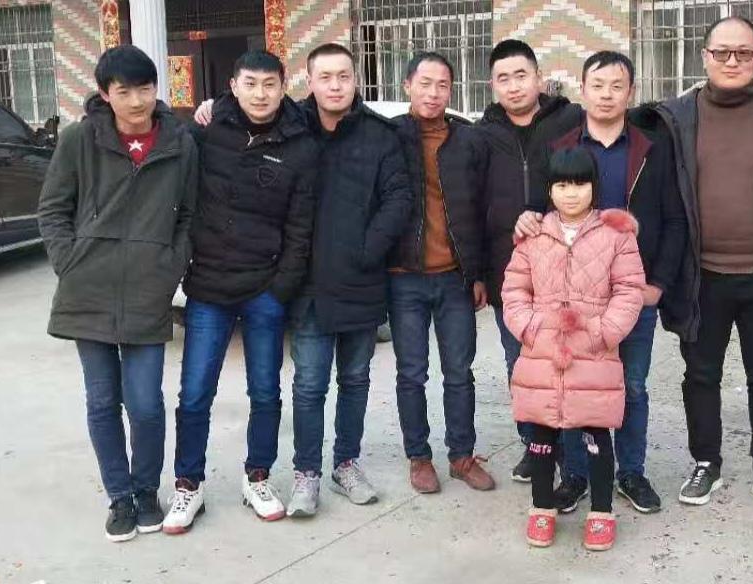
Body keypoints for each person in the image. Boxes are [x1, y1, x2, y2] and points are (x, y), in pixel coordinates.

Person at [195, 43, 412, 514]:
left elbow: (398, 198)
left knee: (355, 380)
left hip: (360, 280)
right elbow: (243, 117)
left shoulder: (380, 135)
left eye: (343, 76)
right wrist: (214, 107)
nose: (335, 86)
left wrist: (367, 250)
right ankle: (306, 472)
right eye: (325, 77)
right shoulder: (292, 127)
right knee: (309, 385)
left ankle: (346, 463)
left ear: (356, 80)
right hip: (308, 286)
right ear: (308, 82)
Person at [635, 16, 753, 516]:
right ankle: (706, 462)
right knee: (700, 375)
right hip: (703, 274)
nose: (732, 61)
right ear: (705, 56)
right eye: (722, 52)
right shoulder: (677, 117)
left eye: (743, 52)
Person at [515, 51, 687, 514]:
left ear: (631, 92)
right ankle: (576, 475)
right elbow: (537, 210)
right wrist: (526, 222)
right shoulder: (561, 145)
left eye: (616, 86)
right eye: (598, 85)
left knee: (633, 385)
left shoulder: (652, 148)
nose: (607, 95)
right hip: (573, 302)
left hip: (631, 293)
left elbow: (675, 219)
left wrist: (658, 284)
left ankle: (631, 472)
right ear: (583, 89)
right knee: (575, 387)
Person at [37, 45, 198, 542]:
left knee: (145, 403)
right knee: (103, 401)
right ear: (105, 94)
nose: (136, 101)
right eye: (124, 91)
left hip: (149, 291)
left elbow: (189, 215)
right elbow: (53, 209)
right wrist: (70, 264)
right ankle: (119, 496)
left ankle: (147, 491)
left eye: (145, 89)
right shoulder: (79, 139)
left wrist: (169, 266)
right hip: (89, 290)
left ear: (156, 88)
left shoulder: (179, 142)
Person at [162, 50, 317, 533]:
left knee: (265, 391)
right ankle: (189, 484)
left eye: (270, 84)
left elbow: (300, 228)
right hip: (209, 286)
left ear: (283, 86)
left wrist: (279, 289)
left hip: (264, 287)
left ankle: (258, 477)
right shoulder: (207, 130)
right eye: (250, 83)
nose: (260, 94)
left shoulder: (300, 144)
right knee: (194, 393)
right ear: (233, 85)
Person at [502, 147, 645, 551]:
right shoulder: (533, 235)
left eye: (580, 184)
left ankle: (601, 511)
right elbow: (514, 289)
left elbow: (629, 290)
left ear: (594, 187)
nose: (571, 193)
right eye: (562, 185)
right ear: (550, 189)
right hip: (543, 352)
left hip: (593, 351)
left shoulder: (616, 235)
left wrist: (603, 332)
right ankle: (541, 506)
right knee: (541, 432)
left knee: (596, 431)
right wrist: (530, 327)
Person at [475, 39, 584, 483]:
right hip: (510, 275)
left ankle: (571, 453)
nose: (514, 86)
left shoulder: (570, 121)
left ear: (539, 77)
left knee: (568, 364)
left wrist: (545, 215)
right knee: (520, 365)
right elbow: (474, 203)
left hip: (566, 272)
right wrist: (481, 272)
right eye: (503, 78)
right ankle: (534, 444)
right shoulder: (482, 135)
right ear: (492, 85)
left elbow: (586, 183)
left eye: (521, 75)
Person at [388, 52, 495, 494]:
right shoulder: (388, 136)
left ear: (452, 90)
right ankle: (419, 457)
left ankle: (461, 456)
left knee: (459, 371)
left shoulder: (467, 140)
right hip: (404, 277)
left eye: (443, 85)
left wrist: (478, 273)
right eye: (425, 83)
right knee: (412, 373)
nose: (433, 93)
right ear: (407, 86)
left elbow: (481, 209)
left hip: (455, 277)